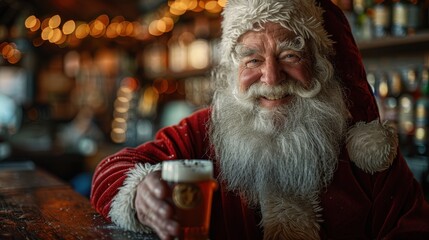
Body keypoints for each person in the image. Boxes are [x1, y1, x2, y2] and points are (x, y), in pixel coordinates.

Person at [90, 0, 429, 239]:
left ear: (320, 66)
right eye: (252, 59)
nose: (270, 77)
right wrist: (137, 194)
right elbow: (112, 170)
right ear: (232, 71)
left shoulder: (366, 152)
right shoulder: (202, 132)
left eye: (290, 55)